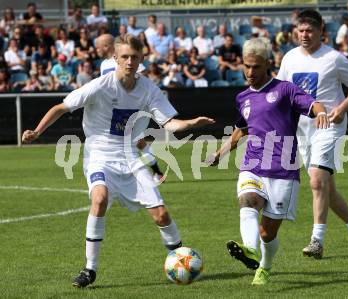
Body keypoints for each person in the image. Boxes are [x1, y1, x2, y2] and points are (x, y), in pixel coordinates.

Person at [21, 34, 214, 288]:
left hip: (131, 156)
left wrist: (190, 123)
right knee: (99, 199)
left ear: (142, 59)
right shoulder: (100, 85)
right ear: (115, 58)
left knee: (161, 215)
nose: (129, 62)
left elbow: (169, 123)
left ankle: (180, 258)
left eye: (134, 57)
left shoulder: (149, 89)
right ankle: (90, 269)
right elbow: (61, 107)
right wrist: (37, 131)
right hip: (100, 154)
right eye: (124, 57)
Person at [206, 37, 328, 285]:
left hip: (283, 170)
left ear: (267, 64)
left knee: (267, 233)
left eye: (256, 67)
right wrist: (220, 154)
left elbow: (313, 104)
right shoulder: (243, 97)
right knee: (248, 201)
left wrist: (322, 112)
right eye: (247, 66)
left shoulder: (285, 90)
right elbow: (242, 129)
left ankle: (265, 266)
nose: (250, 72)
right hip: (253, 163)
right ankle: (249, 250)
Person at [277, 10, 348, 259]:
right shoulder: (289, 58)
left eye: (309, 30)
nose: (304, 35)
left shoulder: (334, 58)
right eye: (300, 30)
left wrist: (341, 109)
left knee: (317, 181)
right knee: (325, 189)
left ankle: (317, 241)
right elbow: (282, 92)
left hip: (328, 125)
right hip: (302, 129)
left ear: (321, 31)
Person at [95, 34, 166, 182]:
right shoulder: (104, 64)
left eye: (99, 46)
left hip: (132, 106)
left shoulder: (126, 58)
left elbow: (141, 77)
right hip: (117, 109)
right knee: (137, 142)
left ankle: (130, 175)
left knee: (128, 142)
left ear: (107, 46)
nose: (96, 50)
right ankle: (156, 173)